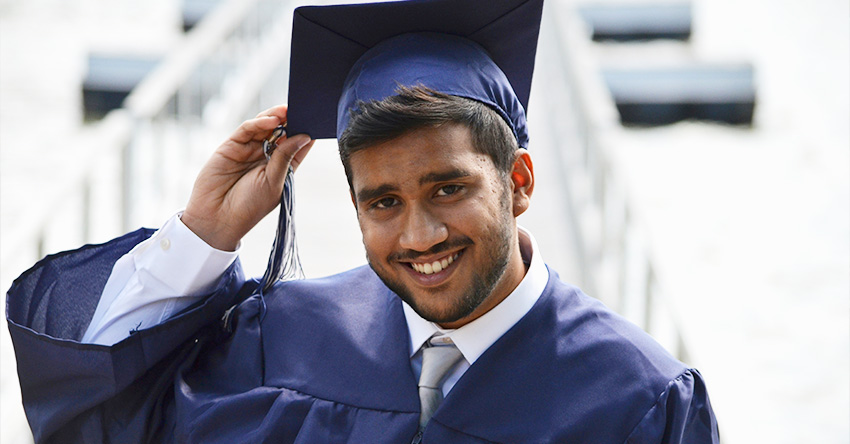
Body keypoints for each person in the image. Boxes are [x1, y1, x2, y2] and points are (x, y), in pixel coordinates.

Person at [6, 0, 719, 443]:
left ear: (520, 183)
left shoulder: (643, 399)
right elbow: (99, 419)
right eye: (382, 202)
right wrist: (203, 233)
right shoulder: (278, 338)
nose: (418, 235)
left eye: (448, 188)